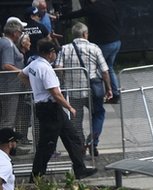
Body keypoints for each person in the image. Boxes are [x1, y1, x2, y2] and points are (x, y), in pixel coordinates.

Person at [20, 39, 95, 180]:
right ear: (50, 53)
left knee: (72, 137)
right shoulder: (46, 69)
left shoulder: (34, 64)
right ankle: (36, 177)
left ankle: (80, 169)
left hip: (49, 108)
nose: (56, 55)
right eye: (55, 52)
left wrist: (35, 87)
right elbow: (56, 93)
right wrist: (70, 107)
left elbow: (22, 75)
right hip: (50, 109)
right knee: (46, 145)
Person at [56, 22, 112, 157]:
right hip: (93, 90)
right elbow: (105, 71)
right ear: (85, 34)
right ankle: (93, 142)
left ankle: (81, 146)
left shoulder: (64, 49)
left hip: (73, 91)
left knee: (76, 120)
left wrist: (63, 81)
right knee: (98, 114)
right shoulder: (94, 48)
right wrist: (109, 88)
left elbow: (58, 68)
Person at [62, 0, 122, 102]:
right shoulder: (110, 3)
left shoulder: (92, 8)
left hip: (105, 43)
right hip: (116, 41)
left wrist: (60, 17)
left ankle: (100, 93)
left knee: (101, 68)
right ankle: (115, 93)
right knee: (109, 67)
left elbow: (78, 13)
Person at [1, 18, 26, 134]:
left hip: (8, 87)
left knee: (7, 118)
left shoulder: (4, 42)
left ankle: (10, 145)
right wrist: (22, 73)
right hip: (9, 87)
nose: (21, 35)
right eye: (20, 32)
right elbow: (6, 65)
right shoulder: (8, 45)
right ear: (15, 33)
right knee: (9, 119)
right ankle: (6, 148)